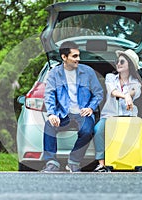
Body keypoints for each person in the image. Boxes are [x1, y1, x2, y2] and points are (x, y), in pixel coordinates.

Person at [93, 49, 142, 172]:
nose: (118, 64)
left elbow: (134, 91)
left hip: (128, 117)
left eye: (122, 62)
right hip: (109, 116)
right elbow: (113, 92)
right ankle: (101, 163)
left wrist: (128, 94)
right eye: (117, 61)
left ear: (129, 64)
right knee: (98, 130)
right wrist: (126, 96)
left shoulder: (136, 82)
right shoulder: (110, 77)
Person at [41, 41, 103, 172]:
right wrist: (52, 113)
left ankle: (74, 161)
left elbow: (98, 93)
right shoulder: (54, 74)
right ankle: (51, 162)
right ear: (64, 57)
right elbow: (49, 95)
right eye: (74, 56)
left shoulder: (88, 72)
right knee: (49, 125)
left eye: (78, 55)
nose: (78, 59)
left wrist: (91, 107)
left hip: (82, 113)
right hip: (63, 113)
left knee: (87, 131)